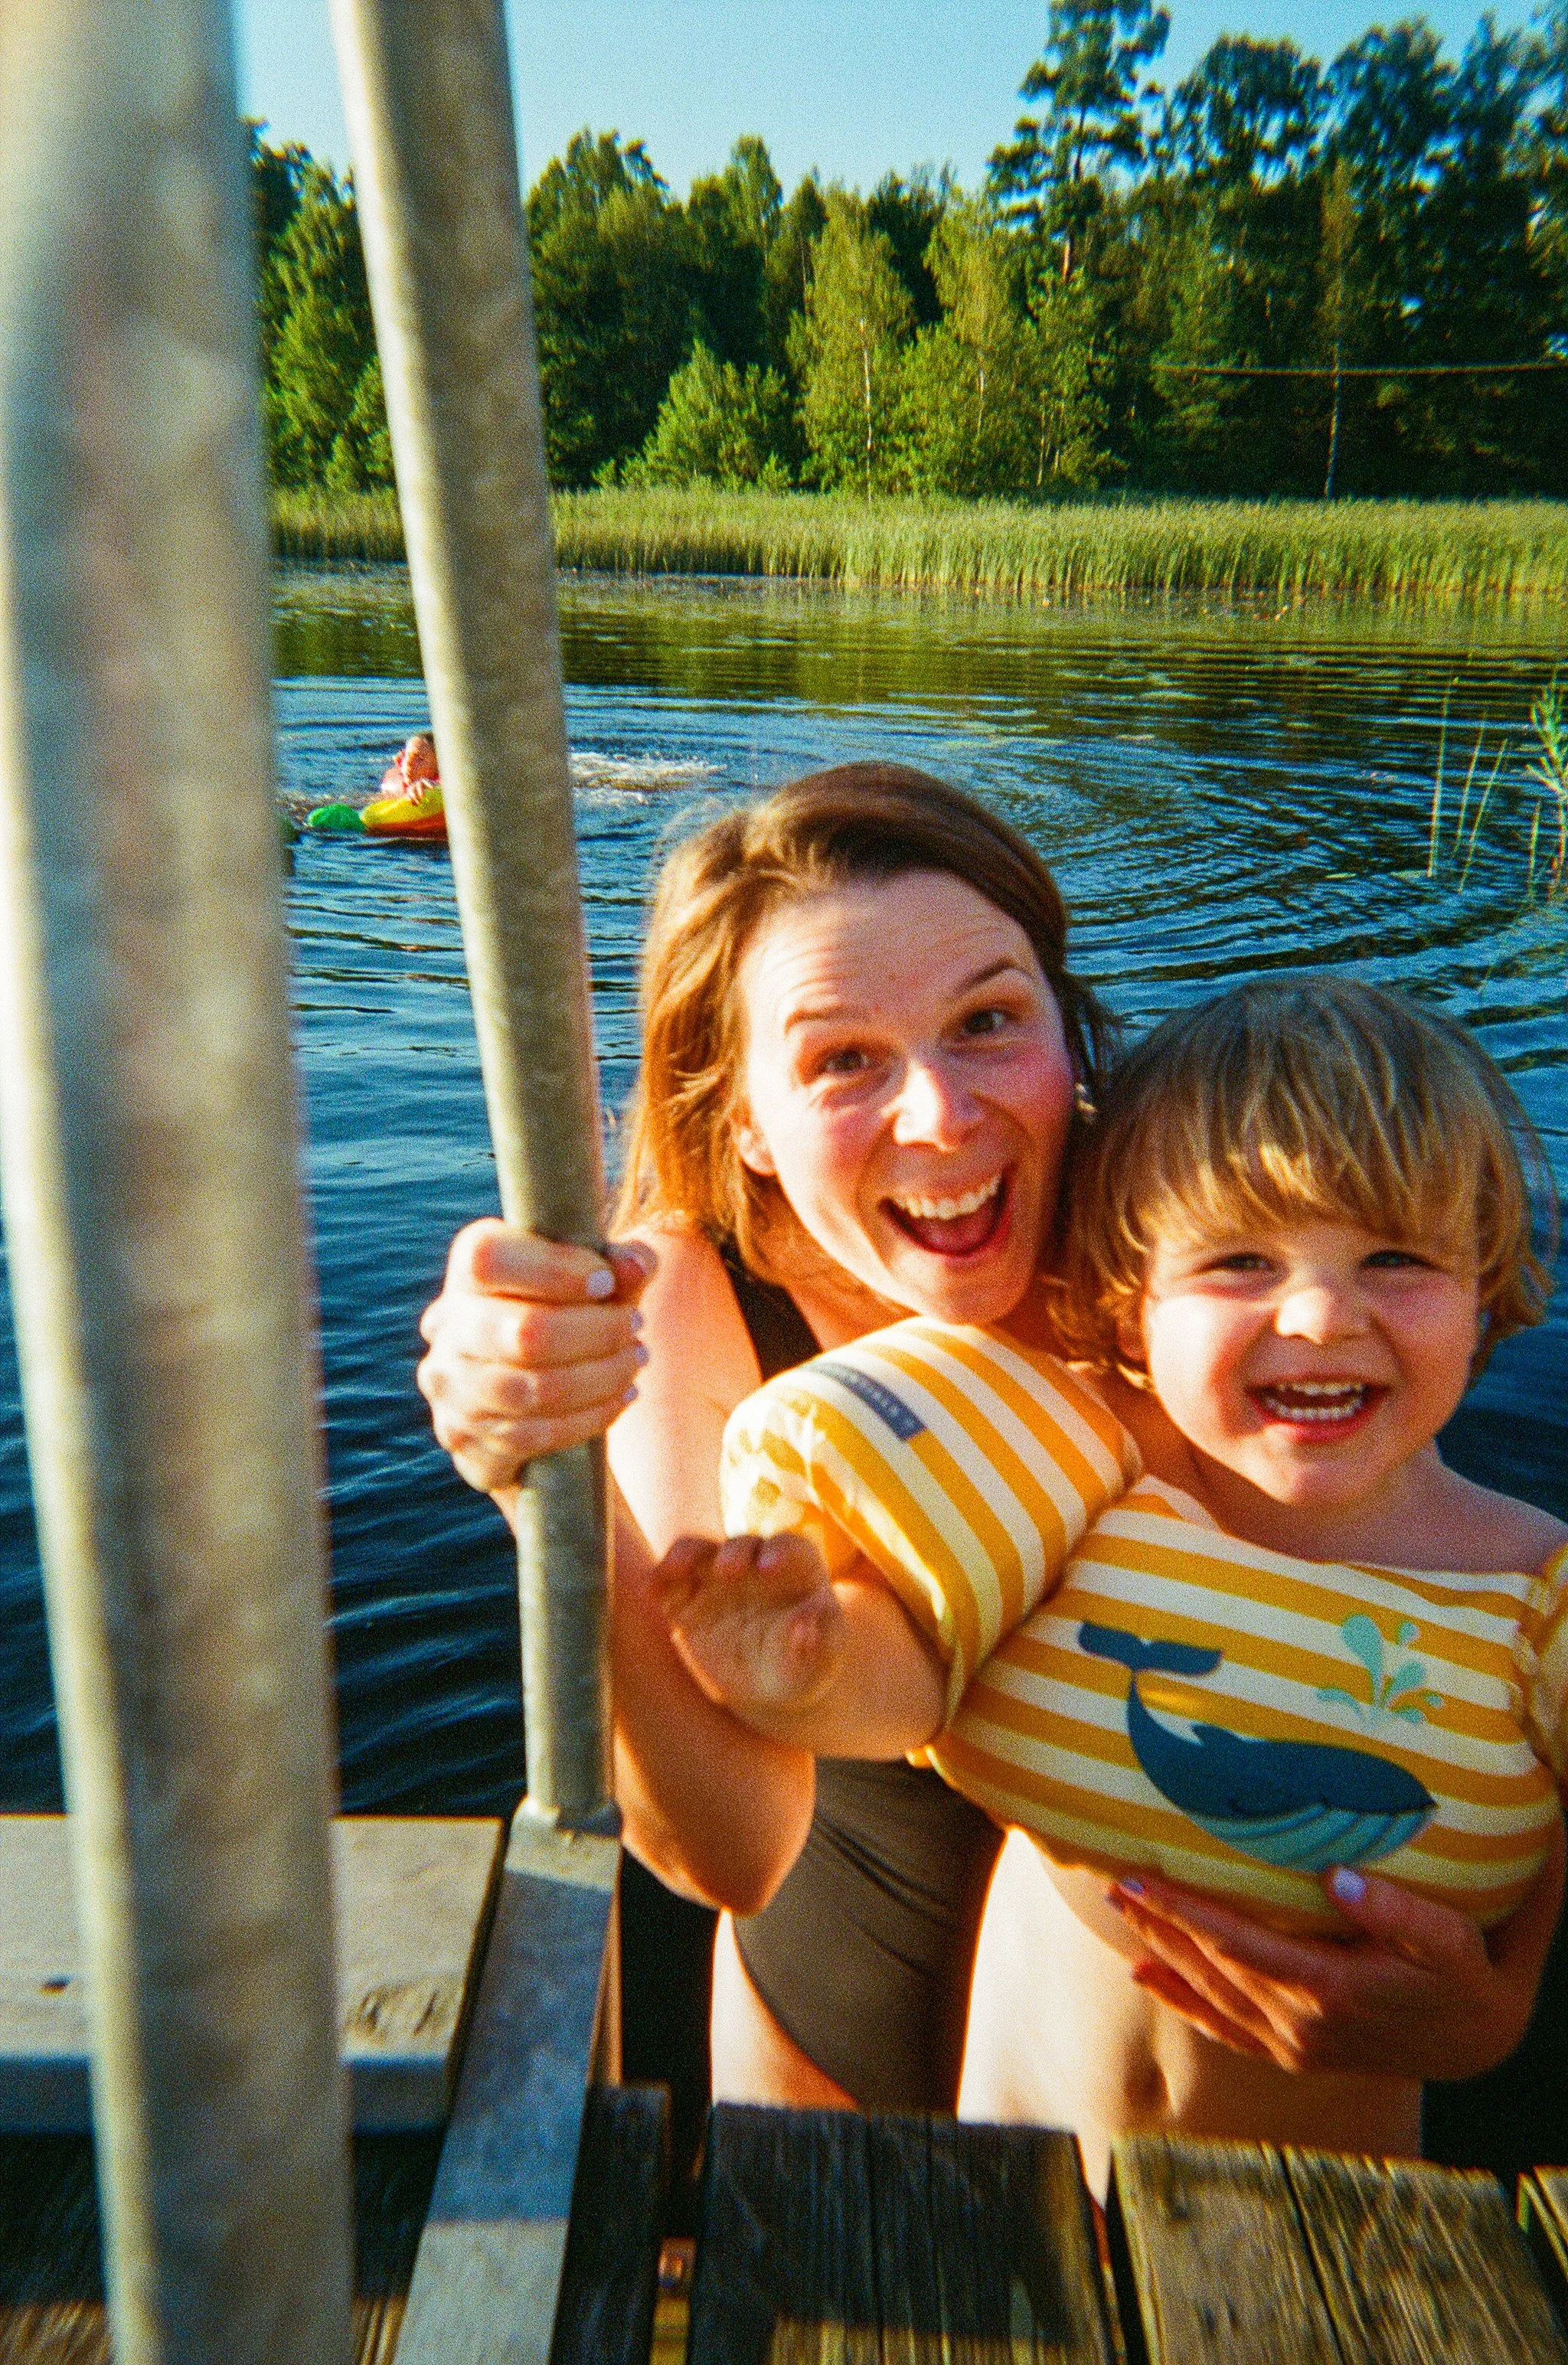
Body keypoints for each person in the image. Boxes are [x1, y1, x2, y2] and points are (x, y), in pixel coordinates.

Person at [417, 766, 1563, 2145]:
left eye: (989, 1021)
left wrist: (1500, 2000)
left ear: (1067, 1036)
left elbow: (1452, 1636)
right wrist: (546, 1473)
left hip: (1228, 2050)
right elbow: (730, 1848)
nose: (944, 1118)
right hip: (838, 2018)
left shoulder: (1186, 1225)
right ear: (747, 1126)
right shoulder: (681, 1303)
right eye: (843, 1059)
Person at [666, 977, 1568, 2189]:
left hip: (1310, 2230)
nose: (1317, 1316)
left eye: (1395, 1259)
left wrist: (1501, 2006)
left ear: (1484, 1284)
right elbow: (910, 1692)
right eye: (1239, 1262)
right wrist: (802, 1661)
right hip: (1013, 2176)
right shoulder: (1084, 1493)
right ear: (1130, 1300)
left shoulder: (1528, 1589)